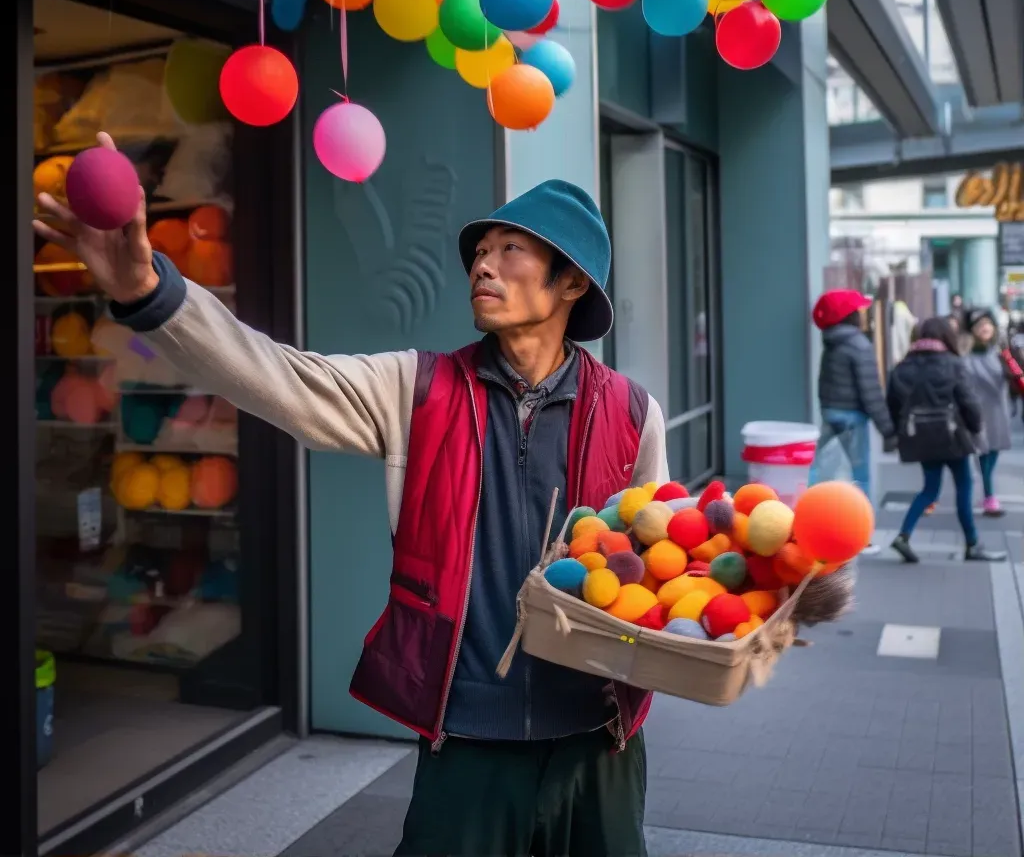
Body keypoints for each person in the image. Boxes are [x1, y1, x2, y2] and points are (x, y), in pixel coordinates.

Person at [34, 134, 668, 857]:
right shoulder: (419, 388)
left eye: (509, 248)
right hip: (465, 737)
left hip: (599, 741)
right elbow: (274, 373)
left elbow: (656, 565)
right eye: (480, 249)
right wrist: (150, 294)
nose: (482, 264)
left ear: (573, 283)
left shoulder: (630, 412)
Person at [886, 317, 1005, 563]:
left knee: (929, 489)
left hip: (921, 437)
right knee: (964, 486)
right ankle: (972, 544)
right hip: (953, 437)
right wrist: (975, 427)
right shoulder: (953, 363)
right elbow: (968, 400)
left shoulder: (903, 366)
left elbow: (893, 403)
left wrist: (900, 432)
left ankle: (903, 536)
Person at [812, 289, 897, 503]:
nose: (862, 313)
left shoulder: (830, 342)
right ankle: (862, 522)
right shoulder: (859, 344)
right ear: (850, 316)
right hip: (853, 418)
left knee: (817, 466)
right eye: (858, 310)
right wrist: (887, 429)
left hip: (830, 412)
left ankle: (808, 507)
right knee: (860, 475)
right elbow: (871, 392)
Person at [963, 308, 1013, 516]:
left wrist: (1009, 358)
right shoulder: (966, 356)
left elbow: (1016, 375)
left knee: (994, 451)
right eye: (980, 325)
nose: (985, 328)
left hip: (999, 409)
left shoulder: (1001, 353)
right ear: (972, 330)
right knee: (982, 452)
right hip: (978, 411)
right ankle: (989, 495)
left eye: (988, 324)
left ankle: (987, 491)